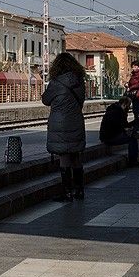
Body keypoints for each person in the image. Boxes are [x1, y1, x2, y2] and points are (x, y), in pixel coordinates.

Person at [42, 53, 87, 200]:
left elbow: (45, 100)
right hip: (76, 121)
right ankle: (79, 190)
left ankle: (67, 192)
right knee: (76, 156)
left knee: (64, 157)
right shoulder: (79, 81)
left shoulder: (55, 83)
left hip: (60, 123)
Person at [99, 96, 139, 167]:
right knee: (132, 139)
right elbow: (123, 126)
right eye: (128, 106)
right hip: (110, 137)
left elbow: (123, 126)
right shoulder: (118, 112)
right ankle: (133, 161)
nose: (129, 108)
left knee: (132, 136)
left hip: (109, 135)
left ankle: (133, 160)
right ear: (124, 104)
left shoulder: (115, 109)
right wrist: (137, 121)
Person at [125, 60, 139, 131]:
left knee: (138, 110)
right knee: (136, 110)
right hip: (135, 94)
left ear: (138, 67)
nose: (133, 68)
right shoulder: (134, 74)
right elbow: (133, 82)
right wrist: (127, 85)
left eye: (135, 67)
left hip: (138, 94)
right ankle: (138, 124)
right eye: (133, 67)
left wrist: (131, 87)